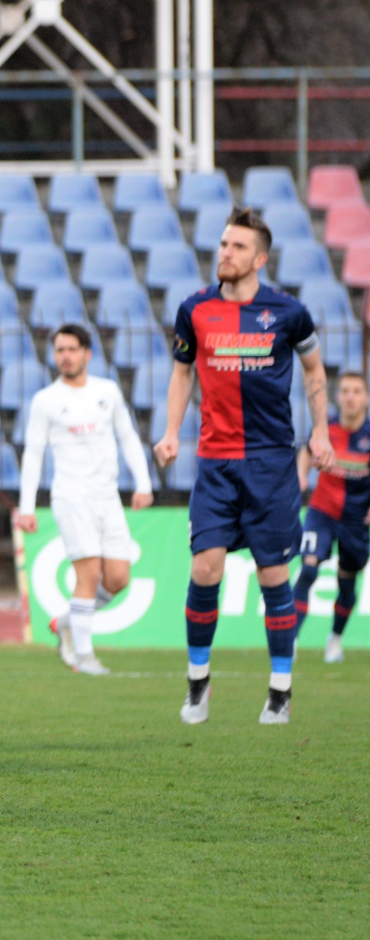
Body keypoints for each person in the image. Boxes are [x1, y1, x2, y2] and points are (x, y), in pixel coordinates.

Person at [154, 207, 330, 726]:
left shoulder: (289, 312)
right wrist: (170, 432)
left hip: (272, 463)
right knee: (204, 567)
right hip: (215, 460)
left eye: (235, 246)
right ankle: (197, 682)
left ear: (260, 258)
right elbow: (182, 374)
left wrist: (320, 430)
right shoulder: (195, 310)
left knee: (273, 573)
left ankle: (280, 690)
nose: (224, 253)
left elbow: (315, 368)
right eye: (223, 244)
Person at [16, 324, 155, 676]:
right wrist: (28, 507)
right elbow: (33, 454)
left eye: (71, 349)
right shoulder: (46, 400)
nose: (65, 356)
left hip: (107, 497)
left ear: (87, 353)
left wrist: (143, 482)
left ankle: (65, 622)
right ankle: (84, 654)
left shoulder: (107, 392)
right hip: (71, 497)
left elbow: (128, 437)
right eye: (59, 350)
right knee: (89, 574)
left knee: (119, 579)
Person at [292, 371, 370, 664]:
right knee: (308, 569)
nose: (350, 397)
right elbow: (306, 449)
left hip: (355, 519)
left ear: (366, 399)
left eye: (357, 391)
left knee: (347, 583)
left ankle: (335, 639)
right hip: (321, 511)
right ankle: (291, 639)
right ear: (338, 396)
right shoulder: (326, 429)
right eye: (345, 390)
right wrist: (302, 476)